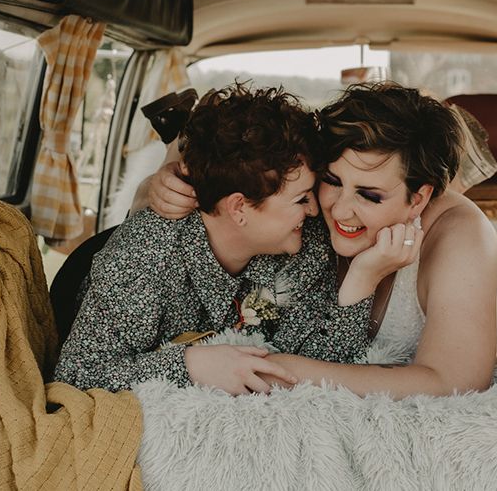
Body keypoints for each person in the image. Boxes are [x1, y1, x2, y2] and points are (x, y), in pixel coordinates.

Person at [146, 82, 497, 398]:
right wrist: (166, 178)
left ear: (419, 199)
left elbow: (455, 381)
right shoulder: (302, 198)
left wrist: (282, 370)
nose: (339, 210)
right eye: (331, 180)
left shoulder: (461, 234)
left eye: (370, 196)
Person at [53, 83, 374, 396]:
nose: (315, 210)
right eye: (301, 198)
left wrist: (362, 278)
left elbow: (319, 365)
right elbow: (76, 374)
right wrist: (190, 365)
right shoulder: (144, 257)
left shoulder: (304, 246)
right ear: (239, 208)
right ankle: (175, 139)